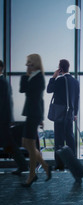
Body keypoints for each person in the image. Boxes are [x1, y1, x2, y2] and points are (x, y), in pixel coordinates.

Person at [19, 54, 51, 187]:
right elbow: (22, 90)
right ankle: (45, 166)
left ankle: (32, 175)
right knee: (25, 143)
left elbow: (38, 98)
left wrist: (41, 118)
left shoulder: (39, 78)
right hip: (31, 113)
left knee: (30, 146)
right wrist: (26, 75)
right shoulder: (30, 76)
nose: (27, 65)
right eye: (27, 63)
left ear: (35, 63)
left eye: (29, 63)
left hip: (34, 114)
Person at [46, 59, 80, 171]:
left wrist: (53, 77)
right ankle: (72, 163)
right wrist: (75, 114)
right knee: (70, 138)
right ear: (69, 67)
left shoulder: (59, 80)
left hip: (59, 114)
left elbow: (49, 90)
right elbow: (77, 99)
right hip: (70, 114)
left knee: (59, 140)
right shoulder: (75, 82)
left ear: (60, 68)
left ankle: (60, 165)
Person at [0, 60, 28, 174]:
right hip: (4, 118)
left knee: (8, 144)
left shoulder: (2, 82)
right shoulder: (4, 82)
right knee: (8, 144)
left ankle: (23, 164)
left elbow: (3, 103)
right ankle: (22, 164)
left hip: (2, 118)